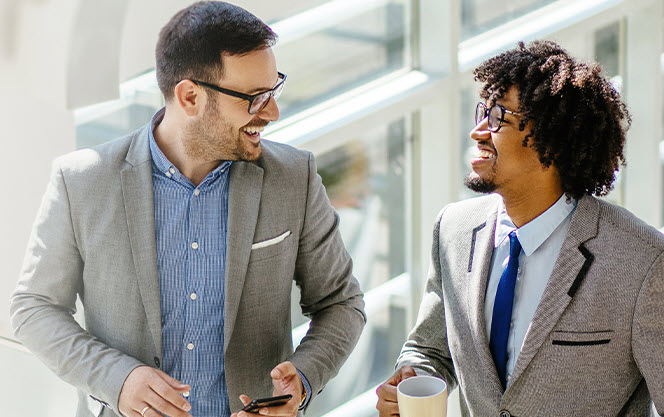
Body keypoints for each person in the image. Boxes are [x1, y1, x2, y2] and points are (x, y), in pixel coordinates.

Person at [10, 2, 366, 417]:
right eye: (255, 98)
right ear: (190, 96)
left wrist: (302, 381)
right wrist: (117, 379)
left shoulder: (294, 177)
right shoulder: (82, 182)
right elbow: (34, 307)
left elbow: (341, 304)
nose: (272, 112)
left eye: (274, 90)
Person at [376, 40, 664, 416]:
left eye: (498, 118)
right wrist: (413, 374)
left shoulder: (642, 262)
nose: (478, 132)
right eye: (483, 113)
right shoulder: (453, 230)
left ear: (552, 142)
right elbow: (431, 347)